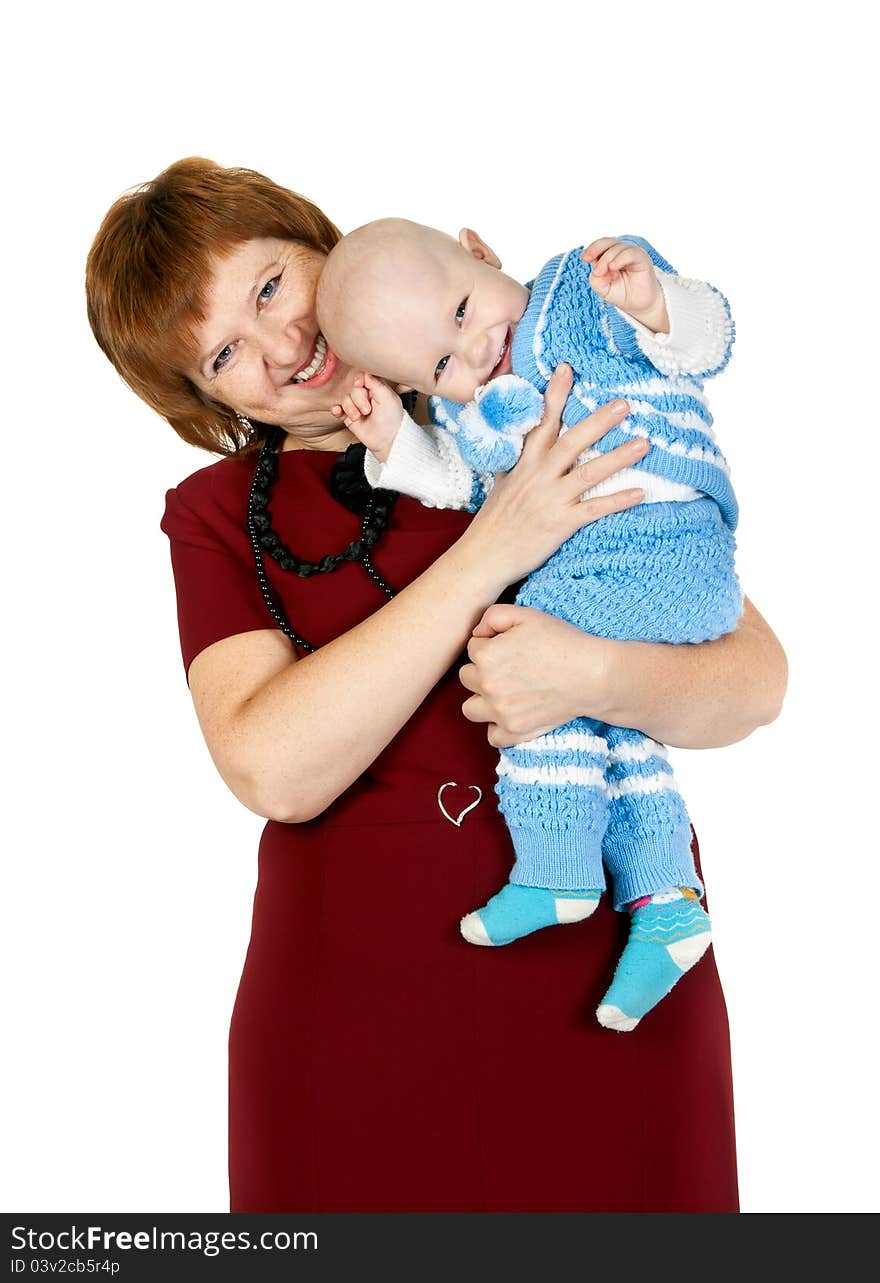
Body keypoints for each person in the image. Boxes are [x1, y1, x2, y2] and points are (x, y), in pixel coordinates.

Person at [85, 158, 786, 1213]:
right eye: (224, 351)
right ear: (202, 399)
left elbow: (752, 680)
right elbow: (275, 767)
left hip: (615, 984)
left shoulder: (521, 400)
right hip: (355, 1020)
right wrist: (493, 548)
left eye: (272, 285)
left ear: (325, 245)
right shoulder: (219, 514)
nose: (282, 347)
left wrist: (590, 673)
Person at [315, 219, 741, 1032]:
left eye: (465, 309)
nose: (473, 351)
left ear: (479, 252)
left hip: (668, 545)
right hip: (609, 572)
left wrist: (655, 303)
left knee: (529, 654)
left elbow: (706, 342)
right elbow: (460, 487)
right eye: (439, 365)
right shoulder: (475, 411)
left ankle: (558, 865)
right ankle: (666, 901)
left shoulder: (578, 296)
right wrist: (393, 440)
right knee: (611, 726)